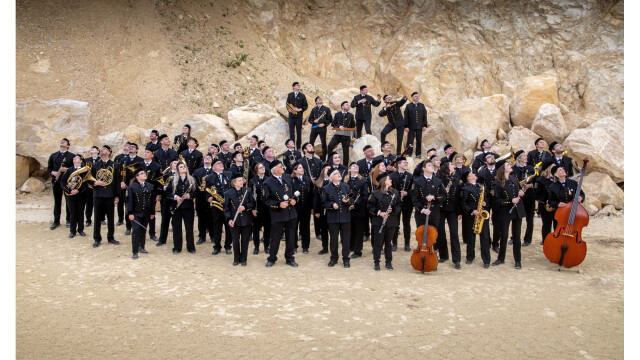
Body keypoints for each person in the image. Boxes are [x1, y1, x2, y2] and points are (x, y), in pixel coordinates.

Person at [491, 160, 526, 269]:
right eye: (507, 165)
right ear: (502, 168)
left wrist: (521, 193)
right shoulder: (496, 183)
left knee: (517, 236)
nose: (510, 166)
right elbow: (496, 201)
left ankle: (518, 260)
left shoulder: (514, 179)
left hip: (517, 211)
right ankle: (501, 258)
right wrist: (511, 200)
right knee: (504, 235)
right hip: (505, 212)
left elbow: (518, 192)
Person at [264, 160, 299, 267]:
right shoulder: (267, 182)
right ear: (275, 170)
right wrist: (279, 204)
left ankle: (289, 258)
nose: (283, 167)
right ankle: (272, 258)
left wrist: (295, 200)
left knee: (291, 237)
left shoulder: (288, 177)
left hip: (291, 213)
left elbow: (295, 192)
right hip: (278, 214)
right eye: (280, 166)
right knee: (275, 238)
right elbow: (266, 200)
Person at [368, 172, 403, 270]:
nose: (391, 180)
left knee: (388, 243)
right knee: (378, 243)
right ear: (383, 181)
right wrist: (379, 212)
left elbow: (399, 205)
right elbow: (370, 206)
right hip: (379, 221)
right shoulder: (375, 193)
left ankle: (388, 262)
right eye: (389, 179)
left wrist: (393, 210)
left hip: (391, 221)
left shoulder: (395, 193)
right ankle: (376, 262)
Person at [91, 145, 121, 248]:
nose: (102, 150)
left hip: (110, 195)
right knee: (97, 217)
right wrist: (96, 183)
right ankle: (97, 238)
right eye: (101, 149)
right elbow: (89, 179)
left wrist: (117, 196)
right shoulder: (95, 165)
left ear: (109, 152)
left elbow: (117, 182)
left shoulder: (115, 165)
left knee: (110, 218)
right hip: (98, 195)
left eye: (104, 149)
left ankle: (110, 237)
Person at [460, 171, 491, 268]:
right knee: (470, 238)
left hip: (481, 215)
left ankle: (486, 259)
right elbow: (463, 203)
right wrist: (472, 211)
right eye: (472, 174)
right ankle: (470, 257)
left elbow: (486, 198)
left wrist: (485, 203)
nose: (475, 174)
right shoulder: (465, 188)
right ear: (469, 178)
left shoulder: (481, 186)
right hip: (471, 216)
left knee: (485, 238)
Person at [322, 168, 352, 267]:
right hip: (332, 218)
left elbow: (351, 201)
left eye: (339, 173)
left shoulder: (346, 187)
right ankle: (334, 258)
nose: (339, 174)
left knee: (346, 239)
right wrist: (331, 205)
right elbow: (323, 203)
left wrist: (348, 202)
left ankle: (346, 259)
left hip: (345, 217)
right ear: (331, 177)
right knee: (333, 239)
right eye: (336, 173)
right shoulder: (326, 188)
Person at [224, 174, 256, 266]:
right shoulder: (228, 193)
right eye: (240, 181)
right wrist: (229, 219)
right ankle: (236, 258)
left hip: (246, 219)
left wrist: (245, 207)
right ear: (234, 183)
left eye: (242, 180)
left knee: (245, 240)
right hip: (235, 220)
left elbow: (253, 203)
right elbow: (226, 208)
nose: (242, 182)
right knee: (235, 240)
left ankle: (243, 259)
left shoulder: (247, 191)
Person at [436, 161, 462, 268]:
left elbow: (459, 198)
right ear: (446, 167)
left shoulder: (456, 180)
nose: (454, 166)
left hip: (453, 210)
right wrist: (443, 193)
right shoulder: (439, 180)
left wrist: (459, 212)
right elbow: (436, 194)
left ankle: (456, 259)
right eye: (452, 165)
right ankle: (444, 255)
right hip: (441, 209)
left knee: (454, 233)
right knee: (441, 233)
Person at [167, 162, 197, 254]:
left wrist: (189, 195)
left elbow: (197, 192)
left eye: (184, 166)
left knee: (189, 228)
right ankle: (177, 247)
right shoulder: (173, 180)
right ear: (178, 170)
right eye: (181, 167)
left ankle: (191, 247)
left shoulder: (192, 180)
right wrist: (175, 197)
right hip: (177, 208)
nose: (183, 168)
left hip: (188, 207)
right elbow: (168, 193)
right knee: (176, 228)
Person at [205, 158, 233, 254]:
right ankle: (217, 246)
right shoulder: (209, 177)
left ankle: (228, 246)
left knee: (229, 226)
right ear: (213, 168)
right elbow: (207, 190)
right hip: (216, 205)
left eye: (221, 163)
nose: (220, 164)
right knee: (217, 226)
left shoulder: (229, 174)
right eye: (218, 163)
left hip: (228, 204)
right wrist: (209, 197)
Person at [126, 167, 155, 259]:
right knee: (136, 231)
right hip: (135, 213)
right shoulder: (132, 186)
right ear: (137, 176)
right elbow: (129, 200)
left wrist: (152, 212)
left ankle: (141, 247)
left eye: (144, 173)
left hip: (146, 212)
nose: (144, 174)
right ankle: (134, 251)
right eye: (142, 173)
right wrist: (130, 213)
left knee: (143, 230)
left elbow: (152, 201)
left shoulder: (150, 186)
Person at [47, 138, 75, 230]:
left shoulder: (72, 156)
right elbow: (49, 169)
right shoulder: (53, 155)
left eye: (65, 142)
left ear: (68, 146)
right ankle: (56, 221)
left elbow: (75, 168)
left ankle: (68, 220)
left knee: (68, 201)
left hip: (67, 182)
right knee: (57, 201)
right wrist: (53, 173)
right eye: (61, 141)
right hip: (56, 181)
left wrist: (66, 169)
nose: (62, 142)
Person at [60, 154, 89, 238]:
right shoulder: (69, 170)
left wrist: (78, 190)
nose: (75, 158)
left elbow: (86, 183)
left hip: (81, 195)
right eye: (74, 158)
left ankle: (81, 230)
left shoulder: (84, 171)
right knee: (72, 213)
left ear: (80, 161)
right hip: (70, 195)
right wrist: (69, 190)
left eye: (77, 158)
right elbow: (63, 181)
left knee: (80, 212)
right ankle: (72, 231)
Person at [411, 161, 445, 232]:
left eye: (432, 165)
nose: (432, 166)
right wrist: (423, 210)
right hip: (421, 214)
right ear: (423, 168)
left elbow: (444, 195)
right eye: (429, 165)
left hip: (434, 213)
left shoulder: (438, 181)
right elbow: (414, 199)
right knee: (422, 235)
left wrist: (434, 197)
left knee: (433, 236)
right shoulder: (417, 181)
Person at [477, 153, 500, 253]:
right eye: (489, 157)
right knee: (485, 222)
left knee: (497, 222)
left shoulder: (499, 170)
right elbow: (479, 186)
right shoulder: (481, 173)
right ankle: (487, 242)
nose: (492, 158)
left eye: (493, 157)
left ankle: (495, 243)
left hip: (497, 199)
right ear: (485, 162)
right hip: (486, 200)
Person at [511, 150, 536, 246]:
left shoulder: (531, 169)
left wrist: (530, 186)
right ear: (519, 158)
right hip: (518, 197)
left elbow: (537, 182)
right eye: (524, 156)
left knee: (530, 219)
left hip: (529, 197)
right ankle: (514, 237)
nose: (526, 157)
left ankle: (527, 239)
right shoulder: (513, 169)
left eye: (526, 156)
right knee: (516, 218)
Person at [344, 163, 369, 259]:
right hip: (348, 210)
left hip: (359, 210)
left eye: (357, 166)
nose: (356, 167)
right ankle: (351, 247)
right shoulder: (346, 181)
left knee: (359, 231)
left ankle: (357, 251)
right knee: (350, 229)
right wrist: (348, 203)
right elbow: (344, 194)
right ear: (349, 169)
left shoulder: (363, 181)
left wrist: (355, 205)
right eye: (353, 166)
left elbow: (364, 196)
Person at [389, 157, 413, 251]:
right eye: (404, 163)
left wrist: (407, 193)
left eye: (406, 163)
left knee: (406, 223)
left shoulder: (410, 176)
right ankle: (394, 243)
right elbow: (389, 189)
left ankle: (407, 244)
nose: (406, 164)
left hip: (407, 203)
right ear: (398, 164)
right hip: (395, 203)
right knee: (395, 223)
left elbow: (413, 189)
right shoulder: (392, 176)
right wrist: (397, 193)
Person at [119, 143, 143, 234]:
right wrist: (121, 181)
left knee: (138, 207)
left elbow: (142, 173)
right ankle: (128, 227)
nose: (130, 148)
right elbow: (119, 173)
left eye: (133, 147)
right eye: (129, 147)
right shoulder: (123, 160)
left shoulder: (140, 160)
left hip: (137, 186)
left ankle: (137, 226)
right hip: (126, 187)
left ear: (137, 150)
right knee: (128, 207)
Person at [291, 163, 314, 253]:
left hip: (306, 208)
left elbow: (312, 194)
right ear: (295, 170)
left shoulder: (307, 180)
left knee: (305, 227)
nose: (302, 169)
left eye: (302, 167)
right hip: (295, 208)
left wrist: (312, 207)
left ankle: (305, 246)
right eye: (300, 168)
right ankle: (294, 246)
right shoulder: (291, 180)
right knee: (293, 227)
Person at [141, 146, 162, 242]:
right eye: (145, 152)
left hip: (152, 192)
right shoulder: (139, 165)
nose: (145, 154)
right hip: (140, 192)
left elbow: (159, 181)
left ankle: (152, 233)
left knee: (151, 213)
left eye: (147, 152)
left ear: (152, 155)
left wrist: (158, 194)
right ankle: (141, 232)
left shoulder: (157, 166)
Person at [193, 154, 215, 245]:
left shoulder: (214, 171)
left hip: (211, 197)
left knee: (212, 217)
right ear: (202, 160)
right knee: (201, 217)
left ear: (212, 160)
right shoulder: (197, 171)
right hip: (200, 197)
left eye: (209, 158)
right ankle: (202, 236)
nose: (207, 159)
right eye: (205, 158)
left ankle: (212, 236)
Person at [250, 162, 271, 254]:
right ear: (256, 170)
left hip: (267, 208)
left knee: (267, 228)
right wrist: (253, 208)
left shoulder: (269, 179)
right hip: (257, 207)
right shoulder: (252, 181)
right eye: (260, 168)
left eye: (263, 167)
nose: (263, 169)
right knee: (256, 229)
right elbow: (251, 196)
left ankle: (266, 246)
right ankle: (256, 247)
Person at [156, 160, 177, 247]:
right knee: (165, 220)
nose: (176, 164)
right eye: (174, 163)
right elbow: (159, 185)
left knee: (176, 221)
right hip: (166, 200)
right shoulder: (165, 175)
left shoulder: (182, 176)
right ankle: (162, 239)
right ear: (171, 165)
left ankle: (176, 240)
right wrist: (163, 188)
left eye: (177, 163)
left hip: (176, 200)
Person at [535, 162, 557, 245]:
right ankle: (546, 241)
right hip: (545, 206)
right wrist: (545, 201)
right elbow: (537, 194)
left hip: (556, 206)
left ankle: (556, 241)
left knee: (557, 225)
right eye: (554, 167)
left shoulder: (558, 180)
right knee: (546, 225)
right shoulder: (541, 180)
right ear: (549, 168)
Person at [313, 165, 332, 254]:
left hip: (333, 210)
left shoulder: (334, 181)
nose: (329, 170)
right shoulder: (318, 183)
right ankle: (325, 248)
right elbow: (316, 198)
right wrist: (316, 210)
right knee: (324, 230)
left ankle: (333, 248)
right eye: (327, 168)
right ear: (323, 171)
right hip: (322, 210)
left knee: (333, 230)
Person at [404, 92, 427, 158]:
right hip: (411, 126)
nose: (417, 97)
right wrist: (406, 126)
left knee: (419, 140)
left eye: (418, 96)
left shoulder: (422, 105)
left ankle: (418, 154)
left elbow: (424, 116)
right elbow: (406, 117)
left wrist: (425, 125)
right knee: (410, 140)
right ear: (412, 97)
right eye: (415, 96)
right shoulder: (408, 106)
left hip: (419, 126)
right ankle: (408, 153)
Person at [308, 96, 332, 161]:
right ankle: (311, 157)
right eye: (318, 99)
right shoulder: (313, 109)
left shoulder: (327, 109)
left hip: (322, 128)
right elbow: (310, 119)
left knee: (323, 143)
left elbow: (330, 119)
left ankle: (324, 159)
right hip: (314, 128)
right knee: (311, 142)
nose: (320, 99)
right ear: (316, 102)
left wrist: (324, 124)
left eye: (321, 98)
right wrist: (313, 121)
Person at [286, 82, 309, 150]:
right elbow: (287, 104)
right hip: (291, 117)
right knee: (291, 132)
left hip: (299, 117)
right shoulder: (290, 95)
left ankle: (298, 147)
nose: (298, 86)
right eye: (297, 85)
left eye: (299, 85)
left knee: (299, 132)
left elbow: (306, 106)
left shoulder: (302, 96)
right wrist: (289, 109)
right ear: (293, 87)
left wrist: (299, 109)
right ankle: (292, 147)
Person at [84, 146, 100, 226]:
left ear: (98, 151)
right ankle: (88, 220)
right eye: (91, 149)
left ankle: (101, 218)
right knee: (89, 203)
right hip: (89, 185)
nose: (92, 150)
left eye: (94, 149)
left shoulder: (101, 160)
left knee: (99, 203)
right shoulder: (86, 160)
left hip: (98, 184)